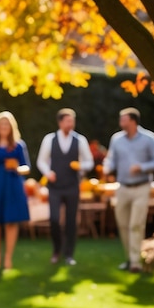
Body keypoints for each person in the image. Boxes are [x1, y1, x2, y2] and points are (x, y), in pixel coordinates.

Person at [103, 107, 154, 273]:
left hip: (142, 187)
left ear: (132, 121)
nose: (120, 122)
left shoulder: (149, 138)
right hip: (122, 187)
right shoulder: (116, 139)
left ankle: (137, 262)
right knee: (123, 224)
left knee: (136, 225)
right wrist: (107, 167)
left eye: (123, 119)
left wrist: (142, 167)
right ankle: (130, 258)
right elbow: (112, 160)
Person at [36, 108, 94, 266]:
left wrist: (81, 167)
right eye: (68, 121)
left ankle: (69, 254)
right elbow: (41, 161)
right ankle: (56, 250)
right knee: (54, 220)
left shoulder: (80, 140)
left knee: (71, 221)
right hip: (54, 187)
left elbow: (89, 162)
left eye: (72, 121)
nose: (71, 124)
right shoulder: (49, 139)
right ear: (60, 122)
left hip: (72, 186)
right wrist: (48, 173)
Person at [0, 111, 30, 270]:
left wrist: (17, 168)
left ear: (11, 127)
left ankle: (8, 257)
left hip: (12, 184)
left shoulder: (18, 145)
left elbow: (26, 167)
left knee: (11, 220)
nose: (4, 127)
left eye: (7, 125)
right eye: (1, 124)